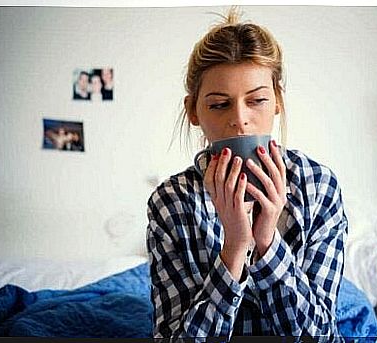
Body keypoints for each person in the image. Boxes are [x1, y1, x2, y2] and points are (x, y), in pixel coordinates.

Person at [146, 7, 348, 342]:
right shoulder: (170, 202)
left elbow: (320, 336)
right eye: (219, 104)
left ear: (277, 101)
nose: (240, 119)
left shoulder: (319, 188)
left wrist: (267, 240)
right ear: (193, 112)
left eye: (256, 100)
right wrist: (236, 247)